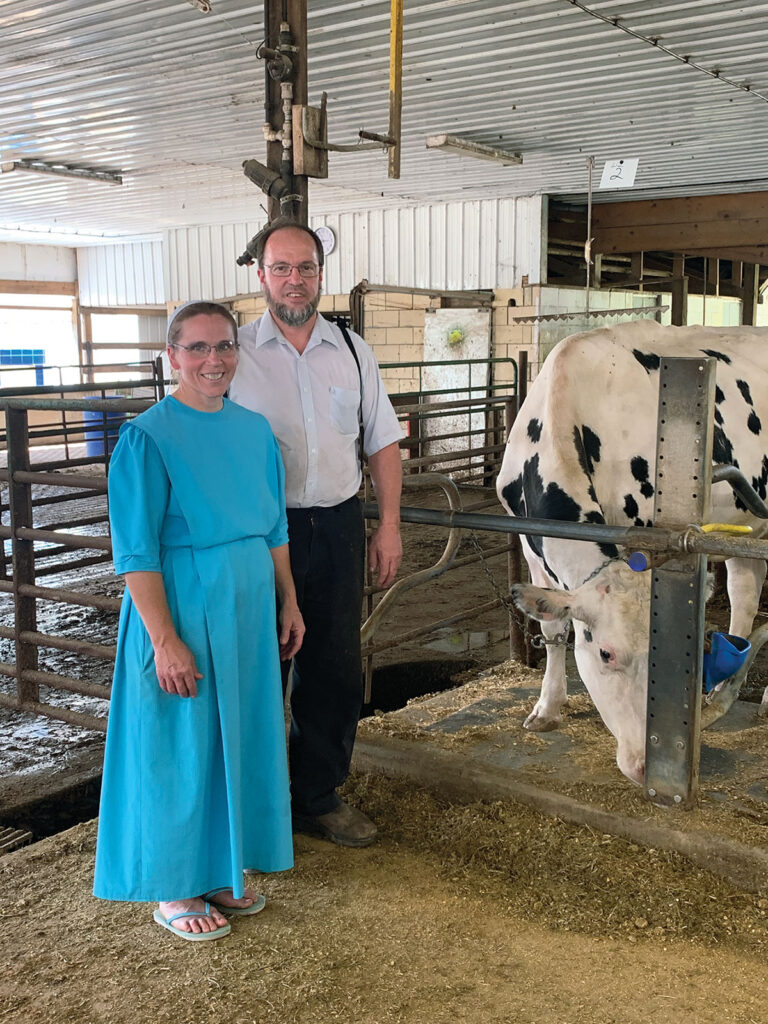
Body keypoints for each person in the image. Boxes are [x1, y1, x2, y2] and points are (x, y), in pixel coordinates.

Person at [94, 301, 304, 942]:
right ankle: (174, 886)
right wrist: (164, 640)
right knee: (180, 740)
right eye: (198, 349)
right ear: (172, 357)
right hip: (182, 600)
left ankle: (219, 867)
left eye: (225, 347)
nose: (214, 360)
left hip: (246, 599)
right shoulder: (148, 437)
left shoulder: (253, 429)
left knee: (236, 731)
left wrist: (288, 598)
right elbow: (136, 551)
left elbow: (274, 525)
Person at [229, 220, 403, 848]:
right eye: (281, 268)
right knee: (255, 665)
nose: (293, 280)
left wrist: (386, 526)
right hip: (253, 535)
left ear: (321, 275)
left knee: (332, 663)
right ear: (261, 276)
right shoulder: (233, 354)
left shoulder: (353, 351)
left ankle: (318, 794)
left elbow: (381, 439)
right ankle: (254, 803)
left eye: (305, 268)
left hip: (334, 523)